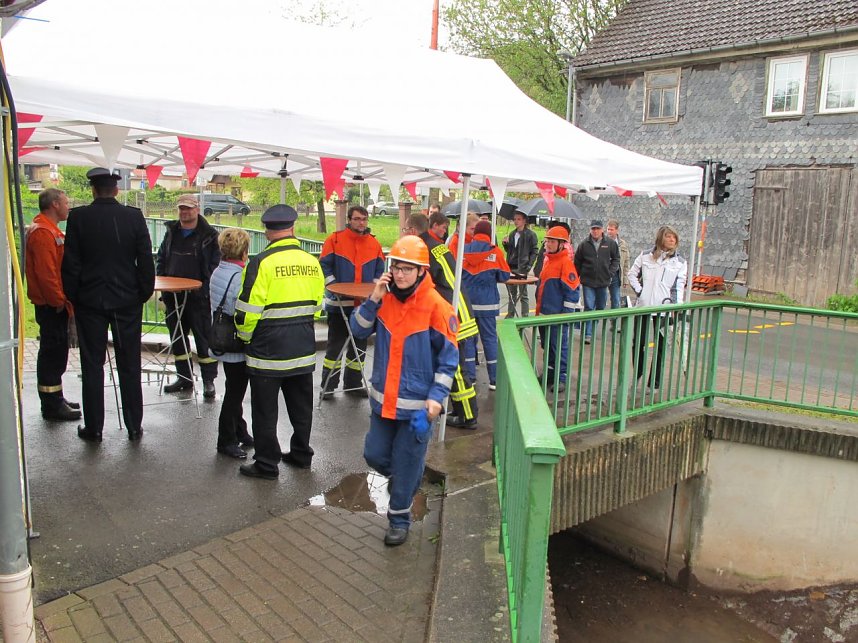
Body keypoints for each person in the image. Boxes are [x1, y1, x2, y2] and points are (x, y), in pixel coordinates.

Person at [349, 235, 459, 546]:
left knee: (407, 462)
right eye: (396, 267)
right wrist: (373, 297)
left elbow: (449, 360)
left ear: (422, 271)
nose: (400, 274)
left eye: (407, 269)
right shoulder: (383, 300)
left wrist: (436, 399)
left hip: (419, 409)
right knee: (375, 454)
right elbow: (357, 330)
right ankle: (407, 479)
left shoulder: (438, 307)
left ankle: (399, 519)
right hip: (383, 403)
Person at [61, 168, 155, 442]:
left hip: (90, 300)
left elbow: (71, 262)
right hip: (127, 299)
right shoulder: (133, 216)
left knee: (92, 364)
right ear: (116, 190)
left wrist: (74, 295)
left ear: (92, 190)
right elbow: (145, 259)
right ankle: (134, 426)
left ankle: (94, 428)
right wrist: (142, 292)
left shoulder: (78, 217)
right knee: (129, 363)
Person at [235, 205, 324, 479]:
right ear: (293, 228)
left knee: (265, 411)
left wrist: (245, 339)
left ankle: (266, 463)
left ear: (267, 231)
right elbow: (318, 306)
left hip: (267, 352)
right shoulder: (311, 261)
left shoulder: (260, 262)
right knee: (301, 408)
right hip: (303, 348)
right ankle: (300, 454)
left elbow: (246, 312)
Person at [404, 213, 479, 429]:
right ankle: (459, 409)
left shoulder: (424, 250)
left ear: (412, 231)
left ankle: (468, 416)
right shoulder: (437, 246)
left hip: (451, 316)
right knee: (454, 366)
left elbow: (428, 284)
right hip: (459, 311)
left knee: (455, 369)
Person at [157, 195, 220, 398]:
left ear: (197, 209)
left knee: (204, 340)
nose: (185, 212)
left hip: (198, 298)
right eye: (182, 209)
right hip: (173, 296)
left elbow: (214, 266)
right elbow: (161, 259)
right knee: (178, 339)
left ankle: (209, 381)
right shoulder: (171, 232)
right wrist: (164, 286)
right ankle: (184, 378)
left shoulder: (210, 235)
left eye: (189, 209)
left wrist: (204, 290)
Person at [26, 188, 81, 422]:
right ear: (55, 204)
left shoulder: (49, 230)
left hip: (54, 303)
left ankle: (56, 396)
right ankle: (51, 405)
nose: (68, 207)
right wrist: (58, 300)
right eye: (66, 203)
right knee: (52, 353)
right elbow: (47, 273)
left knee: (57, 352)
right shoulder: (43, 233)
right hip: (51, 305)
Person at [318, 205, 384, 399]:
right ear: (349, 219)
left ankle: (353, 384)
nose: (361, 222)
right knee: (335, 348)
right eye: (357, 219)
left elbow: (380, 270)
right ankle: (328, 386)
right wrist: (334, 288)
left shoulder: (374, 243)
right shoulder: (335, 239)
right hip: (339, 304)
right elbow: (324, 265)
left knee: (359, 348)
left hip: (363, 306)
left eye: (364, 219)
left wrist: (370, 293)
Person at [209, 228, 255, 459]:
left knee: (233, 388)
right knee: (234, 394)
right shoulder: (239, 277)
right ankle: (225, 440)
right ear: (243, 250)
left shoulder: (219, 270)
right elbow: (240, 311)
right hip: (236, 343)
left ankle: (241, 431)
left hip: (224, 342)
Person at [627, 225, 688, 390]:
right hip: (644, 307)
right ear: (661, 238)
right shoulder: (646, 255)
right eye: (668, 236)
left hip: (664, 310)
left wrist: (676, 307)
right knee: (638, 343)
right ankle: (638, 374)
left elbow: (678, 287)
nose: (672, 240)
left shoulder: (680, 262)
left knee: (661, 347)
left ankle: (654, 382)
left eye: (674, 237)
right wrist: (641, 292)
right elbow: (632, 274)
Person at [462, 220, 510, 390]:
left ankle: (470, 378)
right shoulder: (495, 252)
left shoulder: (463, 249)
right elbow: (504, 276)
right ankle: (494, 379)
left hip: (467, 305)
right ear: (490, 234)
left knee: (468, 341)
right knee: (489, 340)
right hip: (488, 304)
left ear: (475, 234)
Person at [535, 226, 581, 392]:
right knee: (548, 347)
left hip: (557, 317)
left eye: (552, 241)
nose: (548, 244)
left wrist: (565, 318)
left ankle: (561, 378)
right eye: (547, 241)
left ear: (562, 244)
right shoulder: (549, 261)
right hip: (545, 315)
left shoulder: (565, 263)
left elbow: (572, 293)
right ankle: (550, 374)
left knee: (559, 346)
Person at [574, 220, 619, 344]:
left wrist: (610, 273)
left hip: (603, 281)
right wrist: (577, 278)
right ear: (590, 230)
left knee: (600, 307)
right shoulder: (584, 244)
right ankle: (587, 334)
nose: (595, 231)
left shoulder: (610, 244)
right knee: (589, 306)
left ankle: (592, 328)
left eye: (598, 229)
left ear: (602, 230)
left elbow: (616, 259)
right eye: (593, 229)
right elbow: (577, 261)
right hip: (588, 281)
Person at [502, 211, 539, 317]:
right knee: (511, 294)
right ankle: (510, 314)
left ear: (524, 221)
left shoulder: (530, 235)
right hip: (511, 266)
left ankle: (525, 315)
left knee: (523, 294)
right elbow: (511, 251)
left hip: (522, 267)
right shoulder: (513, 234)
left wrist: (529, 265)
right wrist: (506, 244)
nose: (516, 221)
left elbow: (534, 251)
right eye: (514, 219)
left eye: (518, 219)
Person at [606, 219, 631, 315]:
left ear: (617, 230)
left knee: (616, 299)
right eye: (608, 229)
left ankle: (614, 324)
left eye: (612, 230)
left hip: (616, 275)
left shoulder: (622, 244)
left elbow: (626, 263)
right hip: (603, 274)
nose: (609, 232)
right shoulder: (602, 242)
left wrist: (625, 280)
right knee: (600, 299)